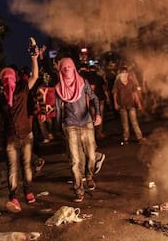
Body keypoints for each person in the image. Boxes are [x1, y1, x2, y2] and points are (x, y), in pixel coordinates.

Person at [0, 48, 39, 213]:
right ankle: (13, 196)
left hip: (26, 134)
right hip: (10, 137)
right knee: (12, 167)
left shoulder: (22, 89)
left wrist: (34, 59)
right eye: (4, 79)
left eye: (10, 77)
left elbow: (34, 76)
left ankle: (28, 191)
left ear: (14, 78)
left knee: (26, 165)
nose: (8, 81)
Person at [55, 57, 102, 203]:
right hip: (70, 126)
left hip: (87, 123)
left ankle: (89, 176)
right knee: (75, 161)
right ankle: (79, 189)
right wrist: (58, 129)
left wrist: (98, 114)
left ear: (74, 68)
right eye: (64, 68)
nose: (67, 70)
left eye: (70, 67)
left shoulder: (83, 83)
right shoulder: (59, 88)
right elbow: (58, 110)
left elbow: (94, 98)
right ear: (61, 71)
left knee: (91, 156)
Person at [113, 66, 147, 145]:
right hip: (122, 105)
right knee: (125, 123)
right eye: (123, 72)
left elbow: (135, 93)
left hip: (131, 104)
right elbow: (115, 93)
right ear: (120, 73)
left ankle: (140, 137)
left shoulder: (131, 81)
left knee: (134, 122)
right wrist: (115, 103)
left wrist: (138, 103)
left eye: (125, 72)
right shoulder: (117, 82)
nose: (124, 74)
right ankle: (126, 138)